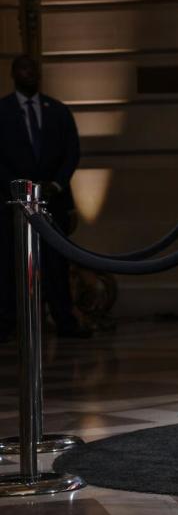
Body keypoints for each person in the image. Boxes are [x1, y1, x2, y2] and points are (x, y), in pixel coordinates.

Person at [0, 54, 89, 340]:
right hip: (11, 203)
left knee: (56, 264)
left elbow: (71, 151)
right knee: (8, 262)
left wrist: (57, 184)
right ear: (14, 73)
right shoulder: (2, 111)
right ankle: (7, 322)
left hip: (53, 201)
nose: (30, 74)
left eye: (34, 69)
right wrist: (16, 186)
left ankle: (64, 319)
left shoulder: (58, 110)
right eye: (24, 69)